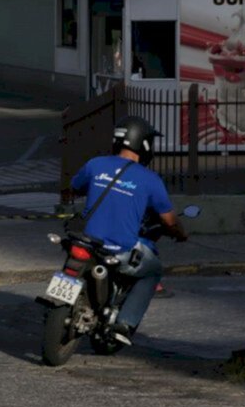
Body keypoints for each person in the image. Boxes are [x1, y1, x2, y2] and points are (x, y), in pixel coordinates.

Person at [70, 115, 188, 344]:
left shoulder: (96, 164)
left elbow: (76, 186)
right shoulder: (149, 179)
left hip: (87, 241)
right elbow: (170, 220)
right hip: (118, 248)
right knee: (153, 270)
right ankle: (125, 323)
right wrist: (181, 234)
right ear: (143, 145)